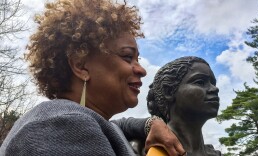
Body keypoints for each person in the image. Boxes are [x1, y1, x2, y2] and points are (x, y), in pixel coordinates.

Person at [0, 0, 185, 155]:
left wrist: (151, 123)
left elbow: (120, 126)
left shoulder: (78, 119)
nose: (142, 70)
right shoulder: (64, 126)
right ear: (81, 66)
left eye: (138, 59)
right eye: (128, 57)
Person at [146, 56, 222, 156]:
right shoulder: (141, 150)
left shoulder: (215, 154)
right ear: (168, 91)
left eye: (213, 83)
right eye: (200, 82)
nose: (215, 89)